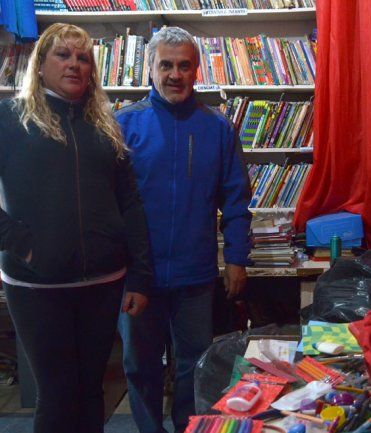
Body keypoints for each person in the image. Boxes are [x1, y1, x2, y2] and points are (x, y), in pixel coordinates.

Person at [0, 23, 152, 433]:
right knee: (57, 394)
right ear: (40, 65)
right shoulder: (10, 118)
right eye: (63, 55)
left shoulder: (105, 125)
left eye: (83, 58)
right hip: (37, 287)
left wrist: (140, 275)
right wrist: (21, 244)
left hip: (104, 281)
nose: (74, 64)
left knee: (91, 391)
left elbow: (130, 204)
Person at [115, 26, 252, 433]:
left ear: (197, 71)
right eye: (166, 65)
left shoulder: (218, 129)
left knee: (196, 364)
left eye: (184, 66)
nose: (175, 74)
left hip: (195, 276)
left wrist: (237, 259)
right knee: (140, 365)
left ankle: (188, 428)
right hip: (139, 277)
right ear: (151, 69)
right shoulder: (122, 126)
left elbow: (236, 201)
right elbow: (106, 205)